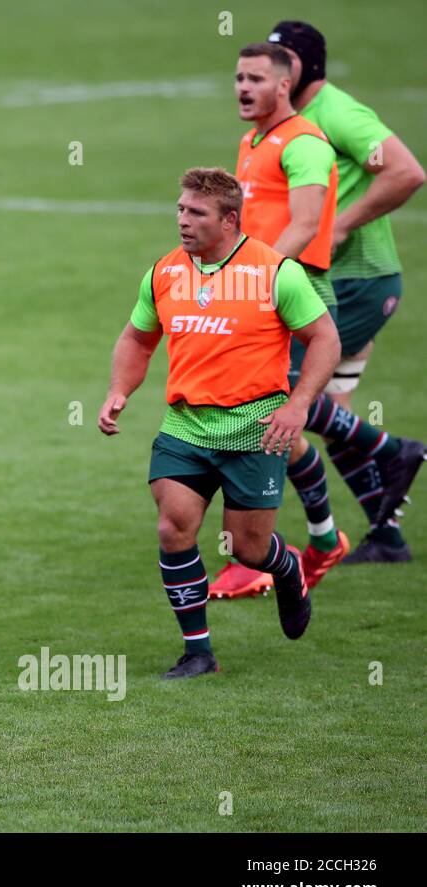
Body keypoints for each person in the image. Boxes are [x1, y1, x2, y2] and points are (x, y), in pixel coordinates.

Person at [98, 168, 339, 679]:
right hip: (186, 428)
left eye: (196, 213)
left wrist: (297, 406)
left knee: (249, 549)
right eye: (181, 209)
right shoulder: (164, 272)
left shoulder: (276, 272)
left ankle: (286, 565)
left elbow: (325, 339)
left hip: (256, 430)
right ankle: (198, 652)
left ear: (229, 220)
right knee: (172, 526)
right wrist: (120, 390)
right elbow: (138, 339)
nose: (183, 221)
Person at [267, 21, 426, 563]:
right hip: (340, 282)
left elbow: (406, 171)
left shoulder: (336, 113)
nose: (272, 71)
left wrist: (339, 226)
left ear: (308, 65)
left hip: (357, 281)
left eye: (282, 59)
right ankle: (386, 537)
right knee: (334, 414)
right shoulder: (291, 121)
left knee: (284, 396)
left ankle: (394, 454)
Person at [209, 42, 348, 598]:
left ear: (285, 85)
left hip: (292, 300)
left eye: (256, 79)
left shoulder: (306, 143)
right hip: (260, 302)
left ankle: (256, 556)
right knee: (272, 424)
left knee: (265, 421)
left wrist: (256, 275)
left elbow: (308, 222)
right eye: (239, 77)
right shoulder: (253, 140)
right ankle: (319, 537)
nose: (243, 87)